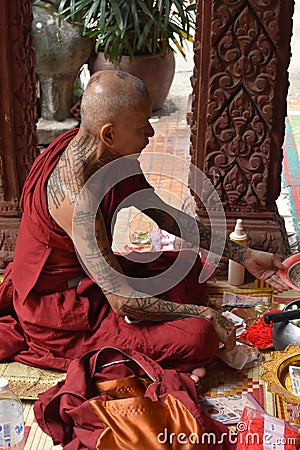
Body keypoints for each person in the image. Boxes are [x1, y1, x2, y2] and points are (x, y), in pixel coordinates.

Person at [0, 70, 289, 377]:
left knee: (190, 265)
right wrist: (205, 314)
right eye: (142, 127)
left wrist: (246, 256)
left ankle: (168, 345)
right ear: (109, 134)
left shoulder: (105, 153)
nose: (151, 133)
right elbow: (123, 302)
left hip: (96, 278)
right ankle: (153, 359)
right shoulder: (75, 199)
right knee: (201, 336)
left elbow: (167, 217)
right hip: (62, 312)